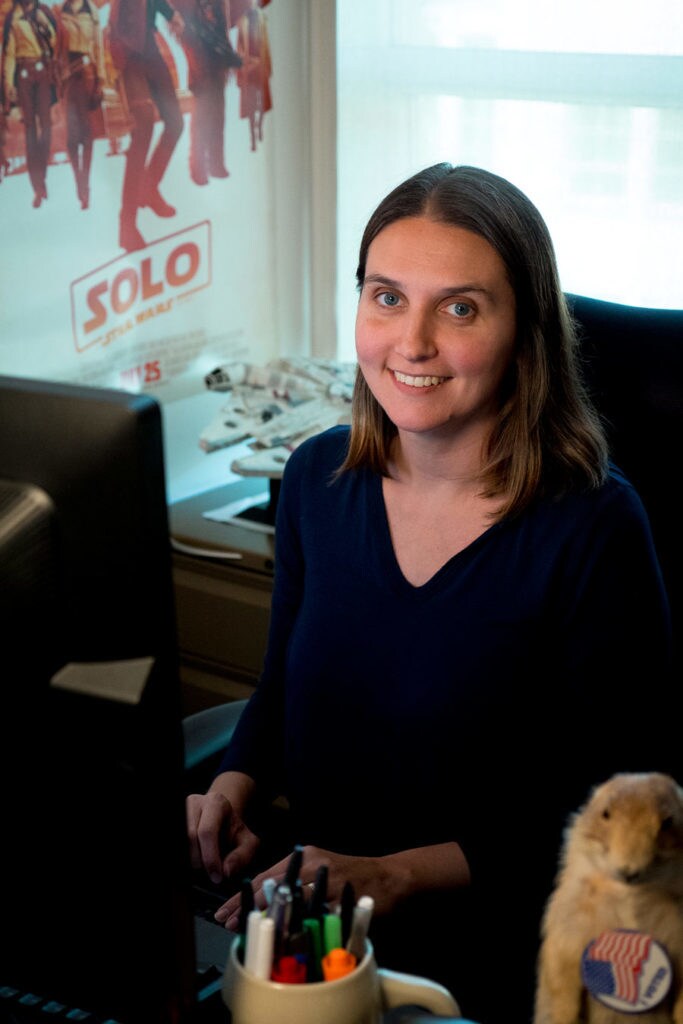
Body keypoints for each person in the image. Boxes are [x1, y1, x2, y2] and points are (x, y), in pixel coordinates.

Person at [185, 163, 674, 1023]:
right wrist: (237, 779)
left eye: (459, 308)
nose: (410, 342)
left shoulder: (594, 525)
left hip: (503, 950)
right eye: (385, 297)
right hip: (322, 923)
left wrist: (400, 872)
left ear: (523, 332)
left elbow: (619, 816)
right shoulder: (315, 480)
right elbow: (284, 684)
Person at [107, 0, 185, 253]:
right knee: (142, 130)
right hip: (129, 53)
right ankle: (126, 223)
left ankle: (149, 187)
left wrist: (170, 13)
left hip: (149, 48)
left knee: (175, 123)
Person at [174, 0, 241, 186]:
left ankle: (216, 163)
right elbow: (182, 26)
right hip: (199, 57)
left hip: (217, 60)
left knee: (218, 113)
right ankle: (197, 167)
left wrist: (228, 58)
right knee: (202, 114)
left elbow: (223, 27)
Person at [1, 0, 58, 208]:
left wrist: (44, 25)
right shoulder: (13, 17)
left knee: (46, 126)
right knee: (31, 130)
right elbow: (9, 53)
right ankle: (38, 186)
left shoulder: (42, 11)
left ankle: (41, 175)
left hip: (43, 71)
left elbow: (54, 42)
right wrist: (8, 83)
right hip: (24, 73)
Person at [55, 0, 104, 210]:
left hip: (87, 74)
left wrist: (101, 78)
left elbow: (99, 45)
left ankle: (85, 184)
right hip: (67, 77)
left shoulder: (91, 11)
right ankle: (79, 181)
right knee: (72, 138)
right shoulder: (59, 12)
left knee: (87, 134)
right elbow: (55, 51)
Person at [235, 0, 271, 152]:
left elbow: (266, 46)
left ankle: (260, 127)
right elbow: (239, 47)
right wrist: (242, 67)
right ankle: (252, 139)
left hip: (261, 67)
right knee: (250, 106)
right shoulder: (242, 21)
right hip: (249, 69)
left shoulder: (262, 19)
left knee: (261, 103)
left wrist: (268, 67)